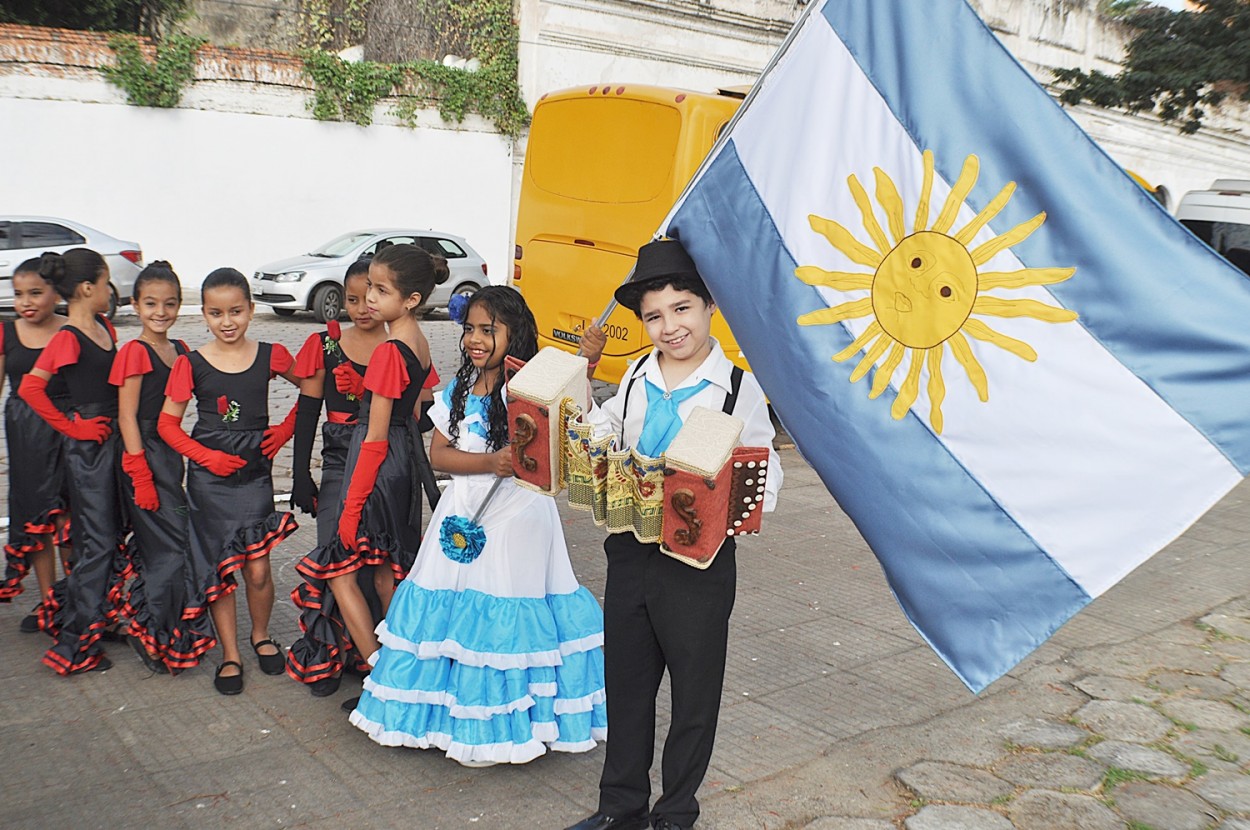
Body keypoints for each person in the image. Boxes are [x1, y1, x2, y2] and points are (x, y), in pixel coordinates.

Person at [565, 239, 782, 830]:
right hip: (630, 550)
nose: (670, 326)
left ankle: (676, 811)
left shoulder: (739, 388)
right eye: (655, 316)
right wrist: (579, 394)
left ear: (709, 305)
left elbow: (768, 475)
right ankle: (621, 808)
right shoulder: (635, 373)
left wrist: (724, 488)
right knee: (627, 684)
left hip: (699, 563)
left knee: (693, 693)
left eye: (682, 308)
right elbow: (604, 426)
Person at [349, 284, 608, 767]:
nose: (476, 339)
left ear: (516, 332)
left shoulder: (531, 384)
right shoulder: (458, 389)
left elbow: (573, 421)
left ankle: (502, 727)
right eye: (470, 328)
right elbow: (440, 454)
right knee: (451, 614)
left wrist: (586, 365)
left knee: (504, 611)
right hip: (462, 511)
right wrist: (491, 460)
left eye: (489, 330)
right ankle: (447, 718)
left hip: (520, 516)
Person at [290, 243, 436, 706]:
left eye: (380, 289)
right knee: (385, 572)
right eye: (367, 287)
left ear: (409, 299)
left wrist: (350, 509)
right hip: (403, 462)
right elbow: (418, 414)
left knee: (346, 568)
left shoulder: (391, 350)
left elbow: (372, 438)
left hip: (377, 463)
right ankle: (400, 671)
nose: (369, 298)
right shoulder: (420, 340)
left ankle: (384, 676)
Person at [158, 268, 300, 694]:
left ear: (251, 310)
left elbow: (314, 388)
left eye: (236, 311)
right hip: (208, 482)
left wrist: (286, 429)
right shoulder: (191, 363)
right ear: (203, 314)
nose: (227, 321)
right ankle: (231, 654)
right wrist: (206, 458)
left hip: (255, 477)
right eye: (216, 313)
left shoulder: (272, 355)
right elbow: (168, 425)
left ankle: (260, 636)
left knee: (257, 569)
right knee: (220, 568)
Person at [18, 249, 127, 674]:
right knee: (95, 544)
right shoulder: (66, 337)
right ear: (87, 288)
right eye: (104, 283)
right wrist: (73, 428)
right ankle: (75, 646)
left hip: (115, 443)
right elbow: (31, 389)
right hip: (87, 454)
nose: (108, 290)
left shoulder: (103, 326)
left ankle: (98, 619)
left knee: (108, 538)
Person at [285, 257, 391, 695]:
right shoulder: (324, 345)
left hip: (386, 468)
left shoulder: (398, 347)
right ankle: (343, 658)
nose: (362, 307)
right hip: (335, 467)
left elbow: (419, 420)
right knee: (337, 560)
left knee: (382, 563)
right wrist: (298, 474)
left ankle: (383, 662)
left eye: (371, 296)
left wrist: (368, 395)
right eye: (352, 299)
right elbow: (308, 412)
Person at [110, 261, 216, 673]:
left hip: (171, 456)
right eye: (151, 303)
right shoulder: (134, 353)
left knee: (177, 545)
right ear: (135, 305)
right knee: (168, 551)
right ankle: (151, 632)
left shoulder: (182, 352)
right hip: (144, 457)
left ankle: (167, 628)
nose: (160, 312)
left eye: (170, 304)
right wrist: (139, 474)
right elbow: (126, 417)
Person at [0, 258, 71, 629]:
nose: (25, 302)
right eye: (18, 294)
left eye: (35, 293)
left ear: (56, 293)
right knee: (37, 520)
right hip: (25, 435)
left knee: (68, 520)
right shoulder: (6, 332)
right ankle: (47, 601)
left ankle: (75, 597)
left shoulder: (73, 329)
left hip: (68, 436)